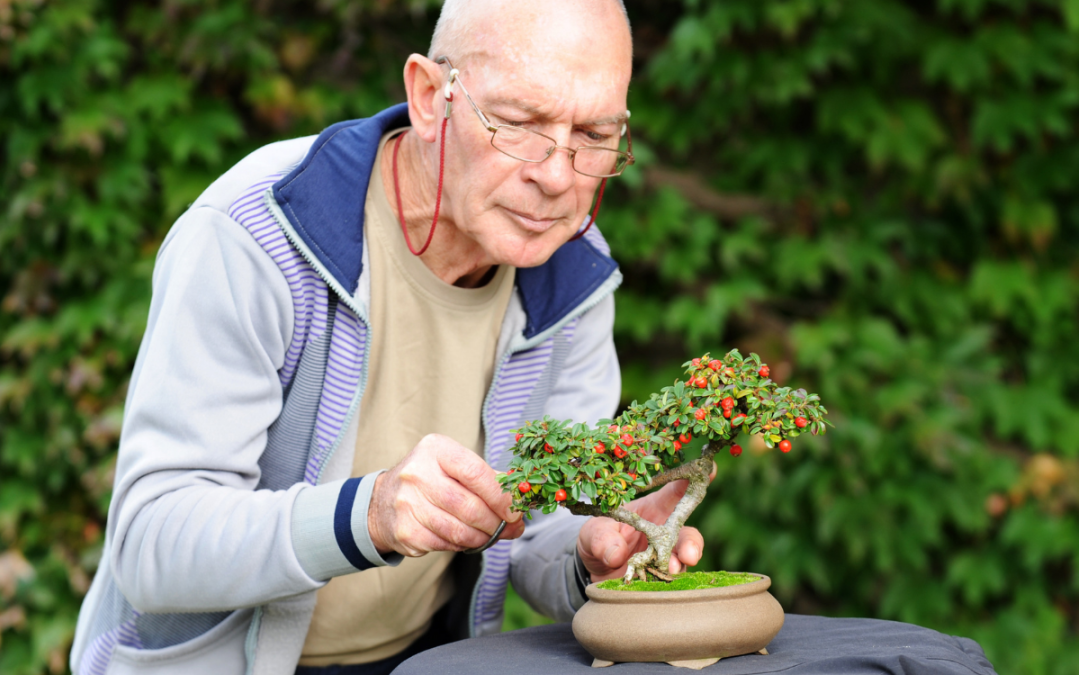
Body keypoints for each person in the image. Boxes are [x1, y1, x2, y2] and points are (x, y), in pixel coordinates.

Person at [70, 1, 708, 673]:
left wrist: (589, 552)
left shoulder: (571, 267)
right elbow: (152, 542)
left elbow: (536, 529)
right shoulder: (254, 233)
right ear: (431, 96)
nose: (557, 175)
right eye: (520, 124)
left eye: (594, 134)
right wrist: (366, 514)